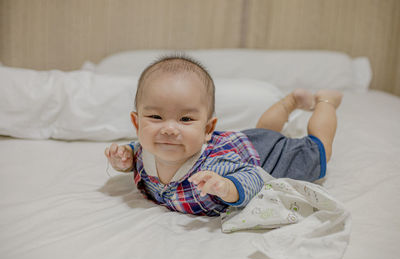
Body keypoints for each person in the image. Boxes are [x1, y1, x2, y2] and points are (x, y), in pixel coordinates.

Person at [104, 54, 343, 216]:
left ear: (208, 129)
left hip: (265, 159)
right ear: (136, 122)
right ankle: (291, 101)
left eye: (185, 119)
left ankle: (326, 101)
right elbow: (138, 149)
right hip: (247, 141)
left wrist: (229, 187)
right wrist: (124, 159)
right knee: (264, 133)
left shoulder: (215, 166)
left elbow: (254, 177)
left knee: (318, 151)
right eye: (155, 117)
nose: (168, 129)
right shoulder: (148, 149)